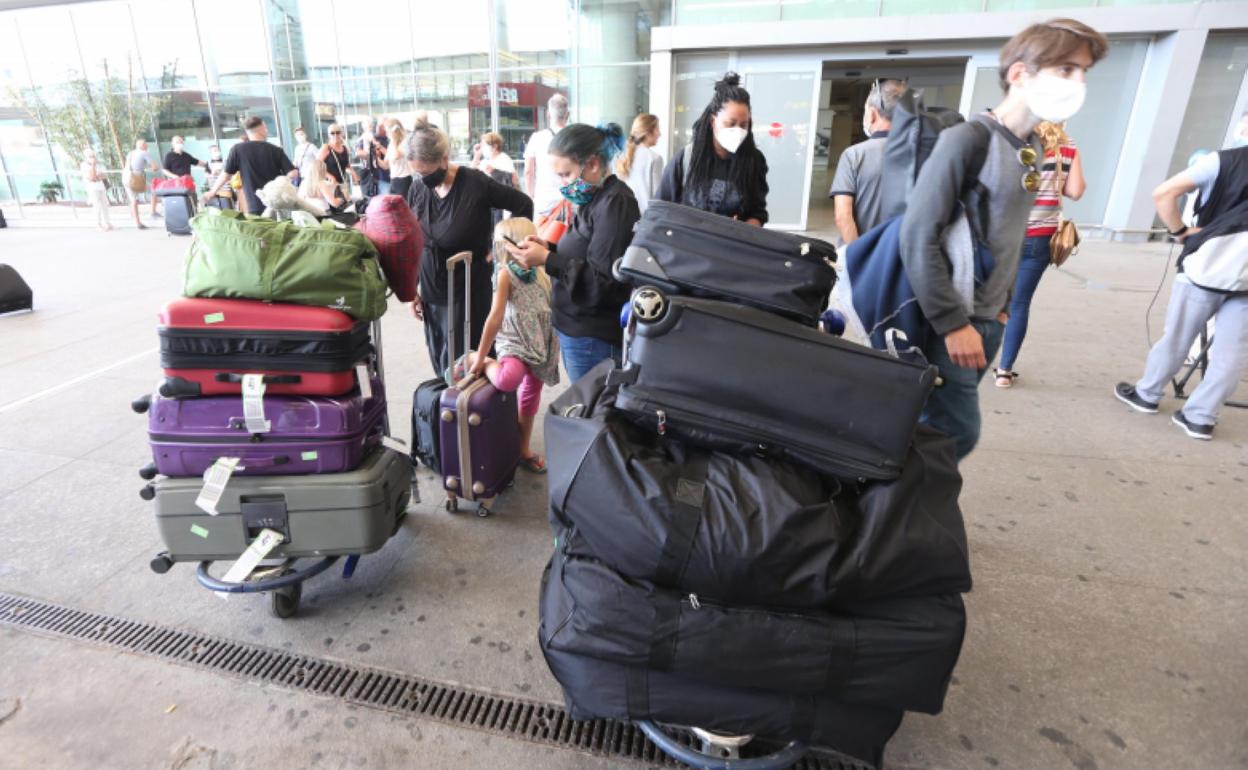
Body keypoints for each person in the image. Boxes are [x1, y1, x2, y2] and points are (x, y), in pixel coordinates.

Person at [898, 18, 1107, 460]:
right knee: (956, 432)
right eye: (1067, 69)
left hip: (989, 317)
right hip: (955, 319)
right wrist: (953, 324)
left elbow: (1009, 229)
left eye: (1084, 71)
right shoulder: (968, 140)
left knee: (928, 428)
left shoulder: (1035, 145)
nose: (1079, 81)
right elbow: (917, 236)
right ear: (1019, 73)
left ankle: (908, 515)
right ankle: (899, 515)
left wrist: (1006, 303)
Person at [1114, 145, 1248, 440]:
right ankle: (1201, 417)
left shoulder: (1222, 161)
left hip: (1207, 266)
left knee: (1177, 336)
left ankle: (1147, 394)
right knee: (1231, 354)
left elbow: (1164, 193)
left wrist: (1179, 232)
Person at [506, 123, 639, 382]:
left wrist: (546, 259)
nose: (563, 184)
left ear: (592, 164)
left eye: (566, 174)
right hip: (577, 330)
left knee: (591, 413)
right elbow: (586, 256)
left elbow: (604, 282)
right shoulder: (596, 199)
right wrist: (549, 249)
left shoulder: (616, 203)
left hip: (593, 336)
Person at [405, 118, 535, 375]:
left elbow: (523, 204)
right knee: (442, 363)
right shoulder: (419, 187)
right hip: (432, 288)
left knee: (471, 365)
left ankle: (480, 414)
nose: (422, 179)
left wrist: (503, 249)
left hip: (468, 290)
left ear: (444, 158)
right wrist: (412, 288)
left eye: (426, 173)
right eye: (417, 173)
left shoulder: (475, 183)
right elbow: (414, 239)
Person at [465, 217, 561, 474]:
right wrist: (483, 356)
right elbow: (495, 317)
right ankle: (482, 361)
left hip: (540, 341)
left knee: (530, 396)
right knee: (508, 379)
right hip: (515, 340)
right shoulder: (505, 274)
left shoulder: (541, 272)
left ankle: (523, 449)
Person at [994, 121, 1085, 388]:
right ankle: (1004, 371)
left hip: (1006, 235)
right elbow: (1076, 191)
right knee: (1019, 304)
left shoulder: (1015, 141)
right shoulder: (1067, 148)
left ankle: (968, 361)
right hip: (1041, 237)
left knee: (987, 298)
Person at [658, 72, 769, 226]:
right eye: (730, 123)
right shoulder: (687, 159)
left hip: (730, 246)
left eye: (743, 125)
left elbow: (757, 212)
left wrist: (744, 229)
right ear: (712, 121)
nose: (737, 130)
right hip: (688, 246)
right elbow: (661, 207)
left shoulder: (754, 161)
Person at [830, 78, 907, 243]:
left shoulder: (855, 155)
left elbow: (843, 216)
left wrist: (858, 256)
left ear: (872, 114)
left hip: (861, 254)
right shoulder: (922, 153)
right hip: (900, 257)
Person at [201, 117, 297, 214]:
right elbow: (293, 173)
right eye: (265, 128)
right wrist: (279, 184)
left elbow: (226, 174)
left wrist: (212, 192)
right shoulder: (276, 150)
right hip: (277, 204)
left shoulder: (238, 150)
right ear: (261, 130)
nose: (267, 130)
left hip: (254, 205)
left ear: (247, 132)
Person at [524, 93, 570, 219]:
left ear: (548, 114)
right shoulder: (575, 138)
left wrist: (531, 195)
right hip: (569, 202)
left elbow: (528, 172)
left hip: (543, 202)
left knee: (541, 236)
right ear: (568, 114)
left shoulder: (537, 138)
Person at [616, 113, 664, 214]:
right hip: (644, 218)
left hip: (624, 215)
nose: (660, 134)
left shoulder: (623, 156)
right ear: (647, 132)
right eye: (657, 129)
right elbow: (657, 197)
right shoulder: (654, 158)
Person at [124, 138, 159, 228]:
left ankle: (137, 223)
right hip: (136, 178)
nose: (147, 146)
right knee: (154, 189)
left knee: (133, 200)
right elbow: (155, 167)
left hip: (126, 177)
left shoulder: (130, 153)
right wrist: (153, 168)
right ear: (143, 146)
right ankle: (153, 212)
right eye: (146, 144)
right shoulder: (144, 153)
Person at [318, 123, 359, 198]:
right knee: (335, 206)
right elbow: (317, 167)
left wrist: (353, 173)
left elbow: (346, 165)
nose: (335, 135)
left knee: (345, 205)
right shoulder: (326, 148)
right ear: (328, 135)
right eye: (332, 133)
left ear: (342, 134)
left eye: (338, 132)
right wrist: (330, 177)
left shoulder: (344, 148)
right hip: (329, 185)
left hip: (342, 184)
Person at [80, 147, 112, 231]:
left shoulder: (99, 164)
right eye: (90, 156)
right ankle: (98, 224)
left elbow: (104, 175)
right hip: (92, 188)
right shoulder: (84, 165)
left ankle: (108, 223)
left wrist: (97, 177)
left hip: (101, 187)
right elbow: (92, 177)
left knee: (105, 205)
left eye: (93, 155)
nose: (93, 157)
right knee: (97, 207)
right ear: (86, 157)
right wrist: (93, 166)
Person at [354, 117, 386, 197]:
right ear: (364, 127)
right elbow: (358, 153)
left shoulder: (373, 136)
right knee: (368, 195)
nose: (371, 127)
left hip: (375, 171)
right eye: (369, 125)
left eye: (372, 125)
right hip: (367, 171)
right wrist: (373, 155)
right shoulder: (364, 137)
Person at [380, 119, 412, 199]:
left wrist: (393, 139)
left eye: (387, 130)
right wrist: (374, 157)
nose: (386, 134)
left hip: (403, 180)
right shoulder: (391, 144)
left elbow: (396, 156)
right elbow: (386, 165)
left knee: (403, 208)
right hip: (394, 180)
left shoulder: (404, 142)